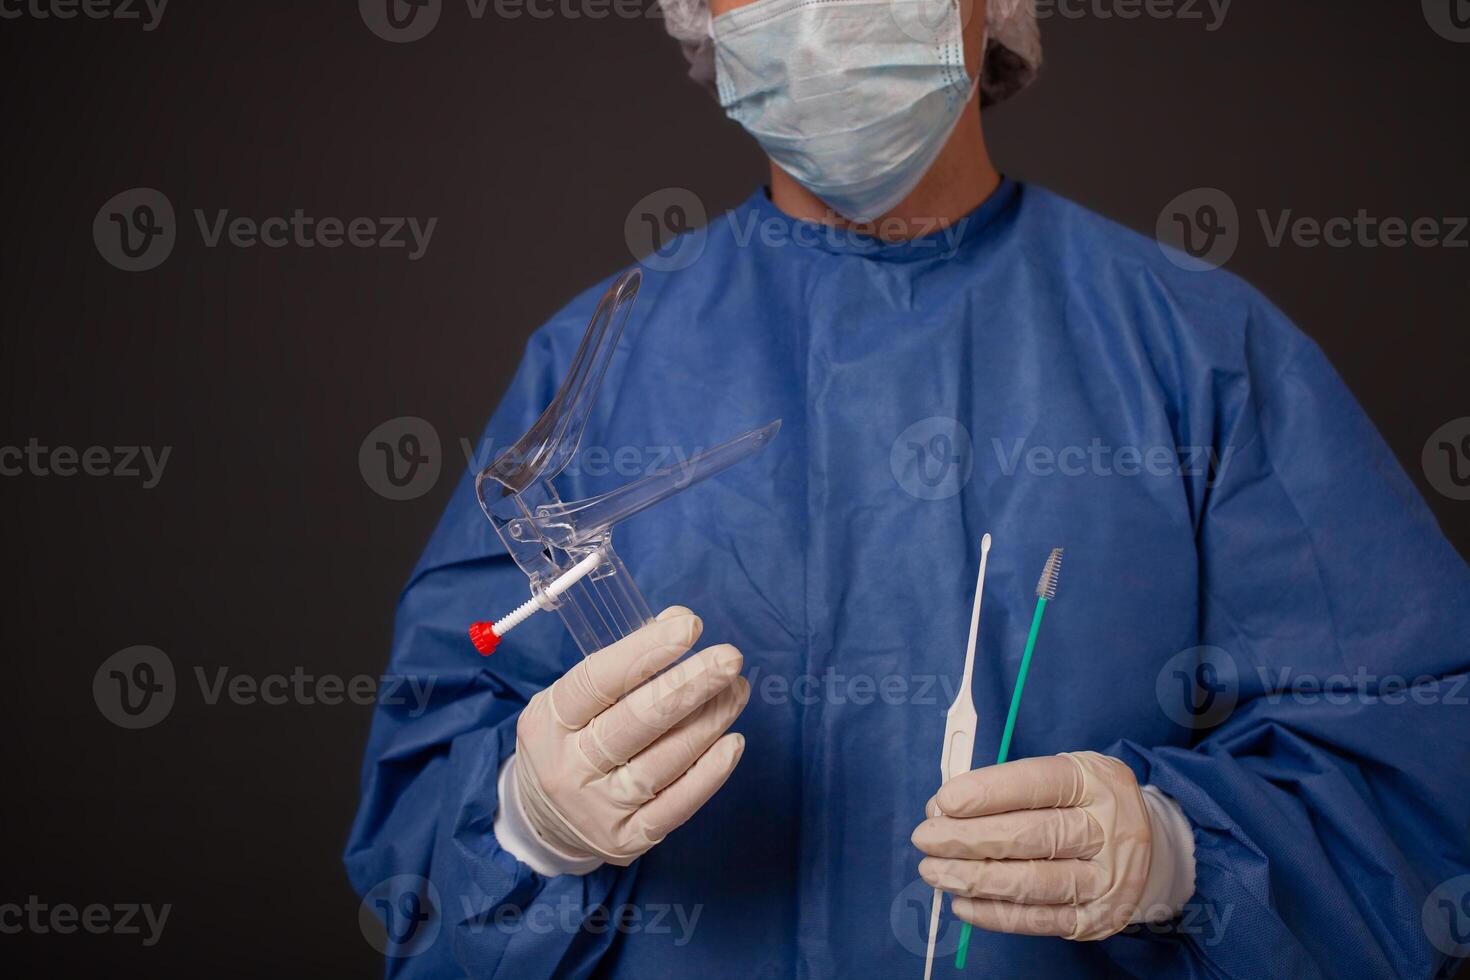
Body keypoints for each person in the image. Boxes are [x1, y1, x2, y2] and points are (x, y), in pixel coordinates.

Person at [345, 1, 1470, 976]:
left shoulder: (1190, 351)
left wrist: (1183, 855)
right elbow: (426, 813)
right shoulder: (599, 366)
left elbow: (1421, 760)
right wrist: (527, 826)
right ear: (709, 25)